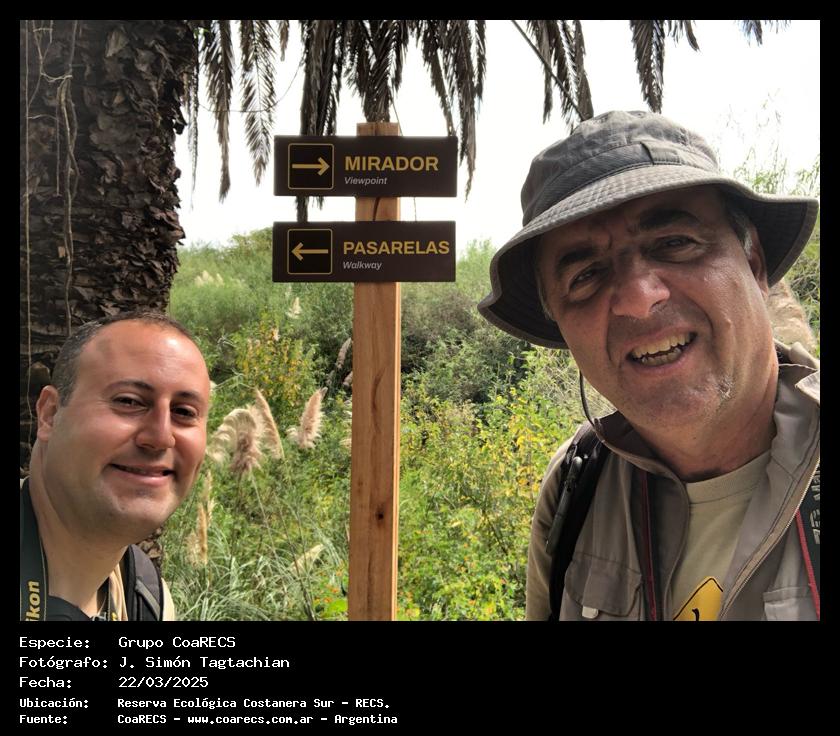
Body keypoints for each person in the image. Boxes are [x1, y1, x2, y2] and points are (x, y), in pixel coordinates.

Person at [478, 110, 820, 621]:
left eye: (675, 244)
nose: (639, 298)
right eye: (586, 275)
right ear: (564, 330)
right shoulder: (575, 486)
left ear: (754, 264)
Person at [20, 311, 211, 621]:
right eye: (129, 401)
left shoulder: (149, 601)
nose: (161, 437)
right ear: (50, 414)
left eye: (184, 412)